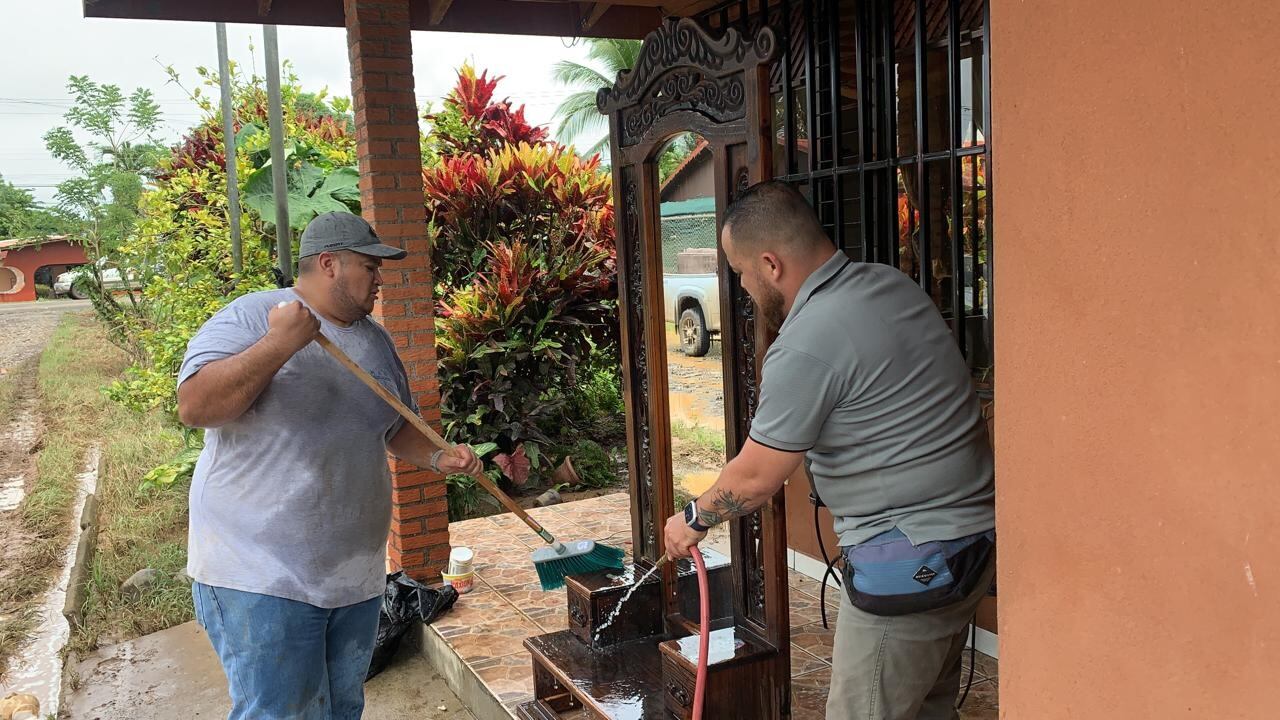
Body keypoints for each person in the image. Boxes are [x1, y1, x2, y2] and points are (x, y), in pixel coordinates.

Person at [664, 182, 995, 720]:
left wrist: (694, 517)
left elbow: (754, 477)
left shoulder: (806, 340)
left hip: (912, 562)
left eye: (741, 271)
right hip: (971, 547)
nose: (743, 286)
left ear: (770, 264)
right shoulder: (888, 285)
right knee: (926, 707)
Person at [177, 212, 481, 720]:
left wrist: (437, 455)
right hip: (260, 574)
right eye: (369, 266)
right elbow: (195, 407)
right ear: (329, 264)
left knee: (341, 708)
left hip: (353, 578)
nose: (379, 280)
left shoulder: (375, 340)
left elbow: (390, 426)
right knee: (283, 713)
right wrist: (278, 344)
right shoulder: (254, 317)